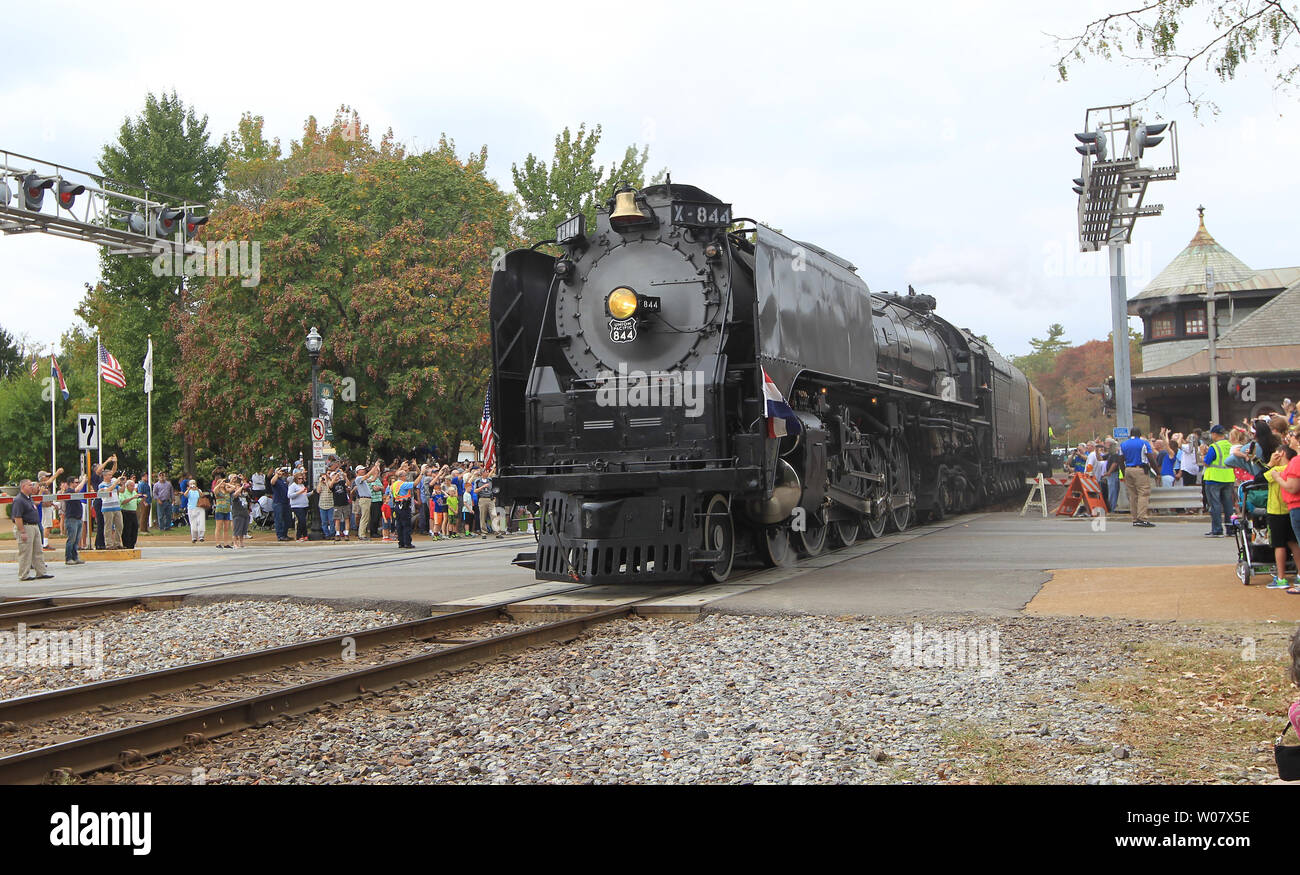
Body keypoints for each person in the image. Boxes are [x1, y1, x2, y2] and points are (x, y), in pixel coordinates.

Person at [1263, 447, 1300, 589]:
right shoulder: (1291, 467)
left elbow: (1260, 476)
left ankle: (1281, 577)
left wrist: (1271, 463)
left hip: (1277, 510)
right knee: (1294, 542)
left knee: (1279, 544)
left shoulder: (1278, 470)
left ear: (1281, 453)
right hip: (1289, 509)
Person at [10, 479, 53, 581]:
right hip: (26, 526)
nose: (32, 487)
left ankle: (41, 572)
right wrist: (22, 532)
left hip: (34, 526)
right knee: (26, 551)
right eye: (30, 485)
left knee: (38, 551)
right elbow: (17, 517)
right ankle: (24, 574)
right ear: (23, 486)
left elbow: (36, 504)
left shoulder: (29, 498)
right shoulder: (19, 500)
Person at [1202, 424, 1237, 537]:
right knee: (1228, 505)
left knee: (1215, 505)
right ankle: (1230, 529)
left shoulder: (1214, 446)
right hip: (1228, 478)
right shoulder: (1230, 445)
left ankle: (1217, 529)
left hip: (1214, 479)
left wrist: (1203, 454)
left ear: (1215, 434)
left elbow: (1207, 462)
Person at [1120, 428, 1157, 528]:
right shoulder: (1143, 443)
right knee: (1143, 493)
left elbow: (1120, 459)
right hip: (1139, 469)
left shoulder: (1123, 444)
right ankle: (1142, 518)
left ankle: (1135, 518)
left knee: (1133, 495)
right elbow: (1150, 457)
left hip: (1128, 469)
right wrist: (1157, 471)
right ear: (1139, 434)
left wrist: (1124, 472)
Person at [62, 474, 87, 565]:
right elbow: (77, 489)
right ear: (71, 483)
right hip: (71, 519)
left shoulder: (76, 493)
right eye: (76, 482)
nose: (77, 484)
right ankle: (68, 558)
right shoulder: (68, 491)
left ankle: (75, 557)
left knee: (76, 540)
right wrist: (84, 480)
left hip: (78, 518)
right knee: (71, 539)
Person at [98, 475, 124, 549]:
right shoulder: (102, 485)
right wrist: (115, 483)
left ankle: (117, 543)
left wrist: (123, 483)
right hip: (107, 508)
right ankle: (108, 544)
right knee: (108, 527)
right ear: (104, 476)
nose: (110, 476)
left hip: (116, 507)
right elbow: (107, 491)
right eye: (109, 475)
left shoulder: (114, 483)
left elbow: (122, 490)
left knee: (120, 525)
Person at [392, 472, 415, 548]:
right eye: (405, 475)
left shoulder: (394, 484)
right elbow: (414, 484)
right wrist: (421, 474)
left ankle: (401, 542)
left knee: (399, 524)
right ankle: (407, 543)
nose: (406, 477)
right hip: (404, 506)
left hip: (397, 505)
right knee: (406, 524)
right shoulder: (403, 484)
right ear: (402, 476)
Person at [270, 466, 291, 542]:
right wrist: (276, 474)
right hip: (278, 502)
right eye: (280, 471)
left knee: (287, 519)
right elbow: (272, 482)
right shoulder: (276, 480)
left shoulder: (283, 480)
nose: (281, 473)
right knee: (279, 519)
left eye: (282, 471)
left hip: (285, 502)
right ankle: (280, 535)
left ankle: (284, 534)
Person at [229, 475, 251, 549]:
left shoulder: (243, 495)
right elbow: (235, 494)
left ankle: (241, 542)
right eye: (237, 487)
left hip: (244, 512)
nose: (239, 488)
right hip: (237, 513)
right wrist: (240, 487)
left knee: (243, 530)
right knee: (237, 529)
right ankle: (235, 543)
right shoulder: (233, 495)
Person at [288, 471, 310, 540]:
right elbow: (289, 495)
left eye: (302, 479)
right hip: (297, 506)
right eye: (299, 479)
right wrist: (299, 492)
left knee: (304, 520)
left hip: (304, 505)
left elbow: (304, 495)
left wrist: (311, 493)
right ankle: (299, 535)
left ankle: (305, 534)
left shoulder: (302, 485)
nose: (301, 480)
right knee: (301, 520)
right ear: (296, 479)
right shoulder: (293, 486)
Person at [212, 477, 233, 548]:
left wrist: (227, 483)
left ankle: (226, 543)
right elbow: (214, 490)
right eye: (221, 482)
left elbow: (233, 487)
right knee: (219, 527)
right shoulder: (217, 492)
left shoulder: (226, 491)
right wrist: (220, 483)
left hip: (227, 510)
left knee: (226, 528)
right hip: (220, 510)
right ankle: (218, 543)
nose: (223, 483)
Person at [119, 478, 140, 549]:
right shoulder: (123, 492)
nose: (133, 487)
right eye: (131, 486)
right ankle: (126, 544)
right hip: (126, 512)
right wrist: (132, 498)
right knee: (127, 529)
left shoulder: (134, 492)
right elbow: (122, 502)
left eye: (133, 486)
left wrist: (142, 498)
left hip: (133, 512)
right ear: (127, 486)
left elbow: (138, 500)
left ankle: (132, 544)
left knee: (135, 528)